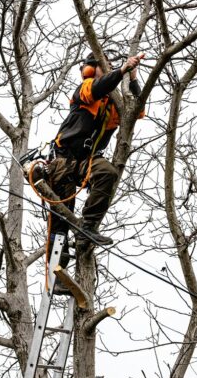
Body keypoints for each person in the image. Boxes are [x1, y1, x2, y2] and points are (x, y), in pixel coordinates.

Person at [44, 50, 146, 272]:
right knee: (60, 220)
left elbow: (137, 112)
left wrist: (134, 78)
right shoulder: (86, 87)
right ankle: (56, 273)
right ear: (91, 68)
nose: (108, 69)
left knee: (107, 173)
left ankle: (88, 227)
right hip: (63, 159)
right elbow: (99, 88)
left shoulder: (110, 106)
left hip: (86, 160)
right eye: (104, 65)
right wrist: (120, 71)